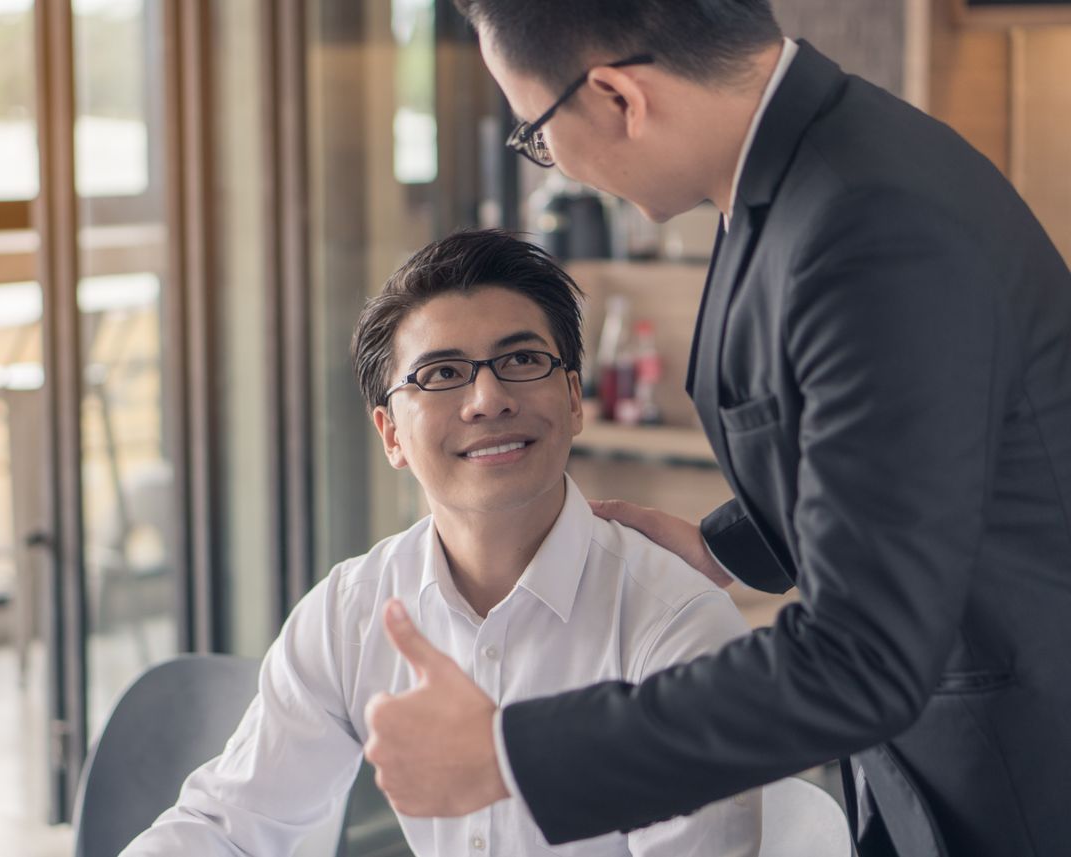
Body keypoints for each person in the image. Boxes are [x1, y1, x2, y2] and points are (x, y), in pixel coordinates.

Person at [361, 2, 1071, 856]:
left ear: (620, 97)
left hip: (1025, 776)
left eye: (537, 134)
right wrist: (730, 546)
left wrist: (510, 754)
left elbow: (862, 657)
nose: (557, 168)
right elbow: (895, 453)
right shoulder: (795, 173)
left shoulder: (869, 222)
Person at [120, 229, 762, 856]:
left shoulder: (673, 623)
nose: (487, 399)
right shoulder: (353, 610)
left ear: (573, 398)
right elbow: (230, 824)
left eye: (521, 360)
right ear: (390, 434)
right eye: (442, 373)